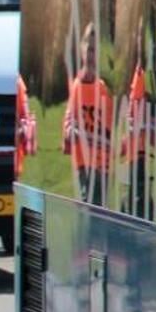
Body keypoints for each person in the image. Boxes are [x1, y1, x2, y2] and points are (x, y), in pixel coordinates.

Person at [62, 21, 114, 205]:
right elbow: (67, 126)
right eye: (89, 49)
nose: (92, 55)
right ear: (82, 50)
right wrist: (73, 133)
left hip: (102, 169)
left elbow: (112, 131)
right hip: (83, 166)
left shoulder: (104, 90)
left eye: (95, 50)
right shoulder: (76, 87)